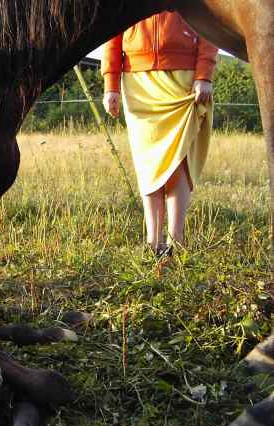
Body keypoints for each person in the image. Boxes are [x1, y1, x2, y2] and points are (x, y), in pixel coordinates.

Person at [101, 12, 218, 257]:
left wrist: (204, 74)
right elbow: (111, 29)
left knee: (177, 161)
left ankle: (177, 241)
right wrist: (111, 84)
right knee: (148, 164)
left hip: (184, 78)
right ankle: (153, 244)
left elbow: (210, 20)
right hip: (138, 82)